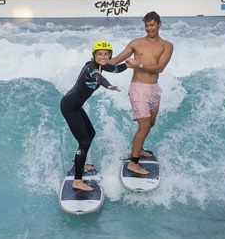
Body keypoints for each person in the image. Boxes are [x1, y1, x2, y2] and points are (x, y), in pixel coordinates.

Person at [109, 11, 174, 175]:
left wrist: (139, 65)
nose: (149, 28)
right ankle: (134, 162)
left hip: (154, 89)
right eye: (146, 25)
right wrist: (96, 63)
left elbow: (160, 67)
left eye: (152, 25)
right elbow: (115, 60)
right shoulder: (136, 43)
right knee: (144, 126)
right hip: (138, 88)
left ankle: (138, 148)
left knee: (150, 124)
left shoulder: (167, 45)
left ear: (159, 24)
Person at [60, 40, 128, 191]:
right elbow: (99, 78)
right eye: (100, 54)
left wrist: (129, 64)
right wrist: (108, 85)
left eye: (106, 54)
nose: (103, 56)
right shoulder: (92, 68)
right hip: (69, 106)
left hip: (75, 106)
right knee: (84, 142)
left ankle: (81, 162)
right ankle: (77, 181)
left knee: (90, 134)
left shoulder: (100, 65)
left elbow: (116, 69)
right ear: (94, 55)